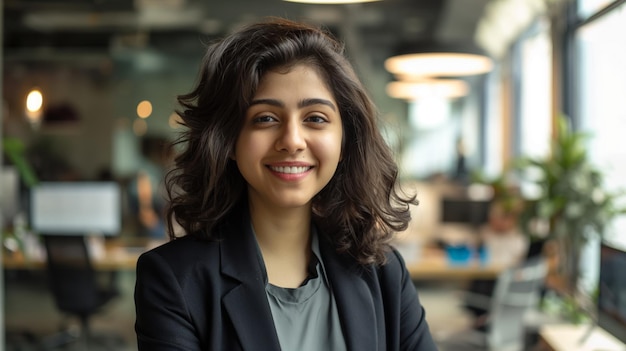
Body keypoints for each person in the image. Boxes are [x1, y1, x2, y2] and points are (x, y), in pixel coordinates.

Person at [134, 18, 438, 351]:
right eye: (265, 118)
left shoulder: (383, 272)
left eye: (315, 119)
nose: (292, 140)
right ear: (229, 140)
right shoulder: (174, 279)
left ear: (344, 141)